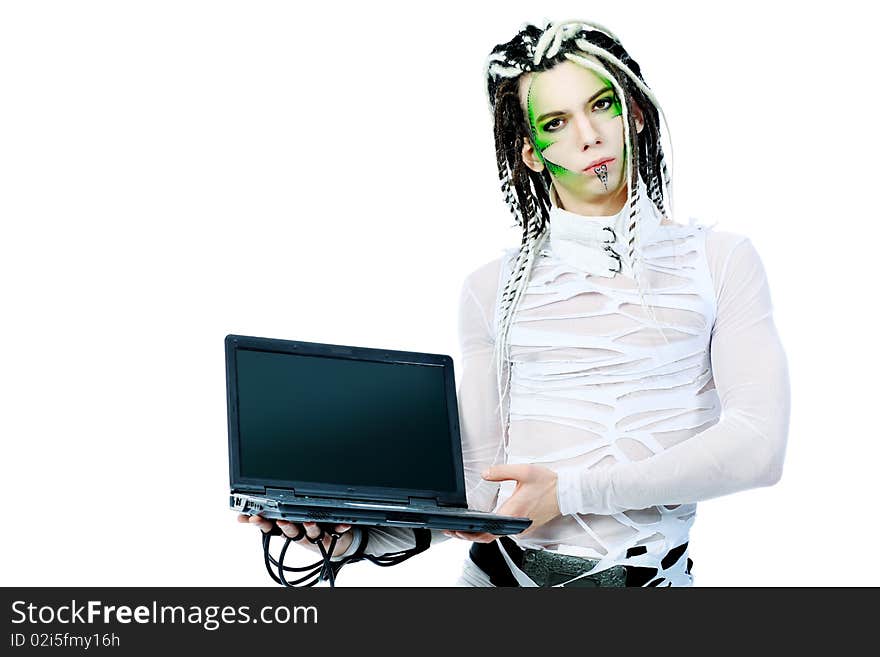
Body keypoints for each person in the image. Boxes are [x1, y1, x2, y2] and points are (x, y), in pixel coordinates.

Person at [239, 19, 791, 587]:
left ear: (637, 113)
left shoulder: (720, 260)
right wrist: (350, 533)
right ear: (530, 153)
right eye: (557, 122)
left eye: (602, 106)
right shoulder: (491, 288)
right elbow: (479, 488)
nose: (589, 136)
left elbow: (758, 447)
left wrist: (571, 492)